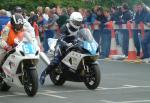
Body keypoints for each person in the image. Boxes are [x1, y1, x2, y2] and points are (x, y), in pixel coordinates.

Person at [40, 12, 83, 85]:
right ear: (71, 21)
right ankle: (43, 74)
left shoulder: (80, 27)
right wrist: (65, 43)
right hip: (63, 43)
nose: (77, 24)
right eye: (76, 22)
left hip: (74, 43)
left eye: (79, 22)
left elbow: (83, 35)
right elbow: (60, 37)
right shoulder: (65, 26)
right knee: (57, 60)